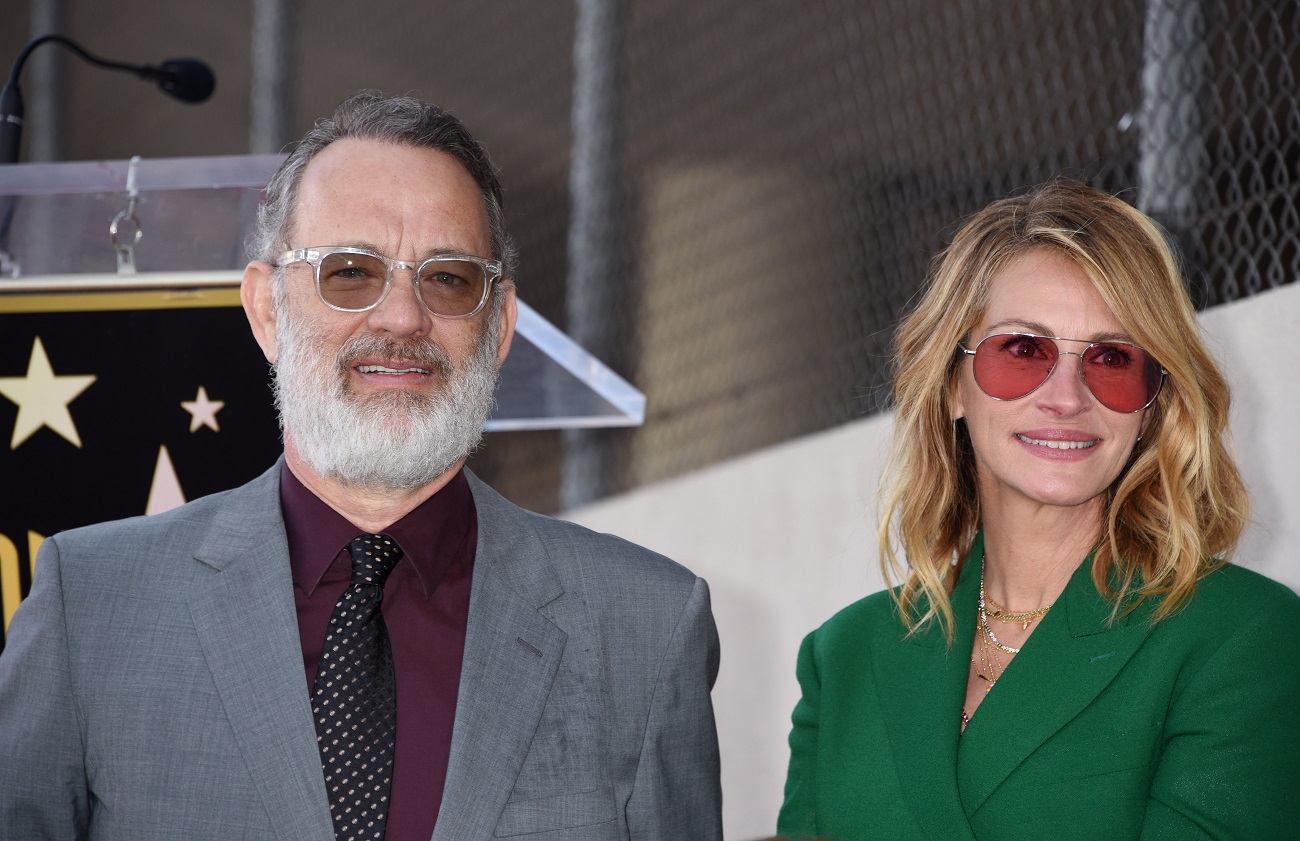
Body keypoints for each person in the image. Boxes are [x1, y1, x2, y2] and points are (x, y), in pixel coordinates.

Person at [0, 91, 722, 841]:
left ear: (500, 325)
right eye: (350, 273)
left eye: (448, 278)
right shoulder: (92, 608)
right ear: (267, 310)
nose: (402, 317)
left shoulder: (645, 629)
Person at [777, 180, 1300, 840]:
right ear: (952, 385)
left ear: (1151, 407)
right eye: (1023, 350)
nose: (1067, 397)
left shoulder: (1243, 636)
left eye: (1112, 358)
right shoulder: (843, 656)